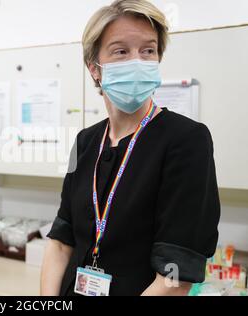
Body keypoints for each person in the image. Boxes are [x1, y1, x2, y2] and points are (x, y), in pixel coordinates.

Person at [41, 0, 220, 296]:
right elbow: (61, 241)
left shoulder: (187, 141)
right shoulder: (85, 142)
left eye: (148, 50)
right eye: (121, 51)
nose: (137, 61)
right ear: (94, 68)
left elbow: (175, 275)